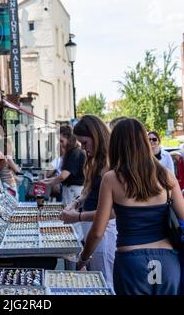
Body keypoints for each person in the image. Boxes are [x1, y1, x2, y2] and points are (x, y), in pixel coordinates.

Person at [79, 118, 184, 295]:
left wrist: (84, 258)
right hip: (167, 262)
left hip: (132, 262)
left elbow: (97, 232)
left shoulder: (111, 179)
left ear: (116, 145)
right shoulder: (167, 177)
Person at [60, 115, 117, 288]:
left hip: (104, 234)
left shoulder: (111, 163)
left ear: (96, 137)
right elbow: (88, 191)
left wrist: (77, 217)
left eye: (85, 143)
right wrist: (76, 203)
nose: (84, 149)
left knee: (106, 284)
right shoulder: (95, 162)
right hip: (93, 232)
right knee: (98, 283)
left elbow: (113, 211)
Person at [43, 126, 86, 206]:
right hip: (71, 190)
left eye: (61, 141)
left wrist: (48, 183)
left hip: (73, 191)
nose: (60, 144)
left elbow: (63, 176)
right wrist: (46, 181)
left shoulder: (75, 153)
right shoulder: (72, 152)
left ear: (69, 138)